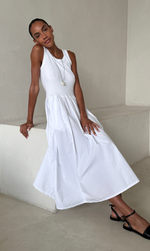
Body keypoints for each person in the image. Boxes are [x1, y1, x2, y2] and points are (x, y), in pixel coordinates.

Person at [20, 18, 150, 239]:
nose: (43, 36)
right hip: (59, 115)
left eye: (44, 29)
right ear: (35, 40)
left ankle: (117, 210)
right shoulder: (38, 52)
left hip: (76, 110)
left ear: (51, 27)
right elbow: (34, 86)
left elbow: (77, 86)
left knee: (103, 147)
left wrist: (83, 115)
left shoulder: (70, 55)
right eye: (37, 35)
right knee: (86, 158)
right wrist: (29, 119)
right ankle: (129, 214)